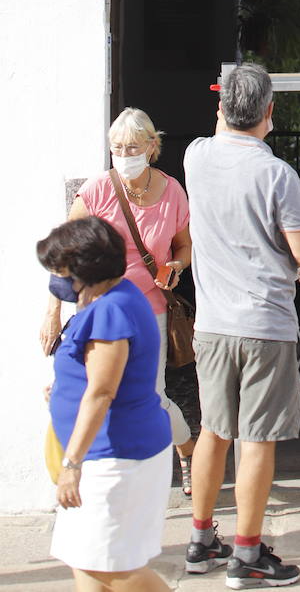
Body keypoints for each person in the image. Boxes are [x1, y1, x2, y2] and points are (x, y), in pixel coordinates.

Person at [183, 62, 300, 589]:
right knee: (258, 438)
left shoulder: (196, 157)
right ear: (270, 113)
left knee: (213, 430)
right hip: (265, 323)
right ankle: (245, 554)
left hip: (213, 323)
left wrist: (228, 108)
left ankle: (200, 541)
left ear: (220, 109)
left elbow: (222, 131)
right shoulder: (277, 175)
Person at [40, 108, 196, 495]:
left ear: (152, 146)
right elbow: (64, 253)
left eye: (132, 146)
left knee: (153, 395)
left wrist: (177, 264)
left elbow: (185, 244)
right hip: (99, 313)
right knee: (95, 390)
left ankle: (186, 450)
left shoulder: (172, 191)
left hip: (149, 311)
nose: (124, 154)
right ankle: (96, 469)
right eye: (117, 147)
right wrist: (52, 313)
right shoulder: (96, 191)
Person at [38, 215, 173, 592]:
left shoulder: (110, 311)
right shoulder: (109, 299)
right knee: (86, 564)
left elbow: (101, 392)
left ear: (85, 269)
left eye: (62, 270)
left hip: (114, 458)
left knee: (112, 569)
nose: (58, 279)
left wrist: (72, 464)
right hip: (107, 455)